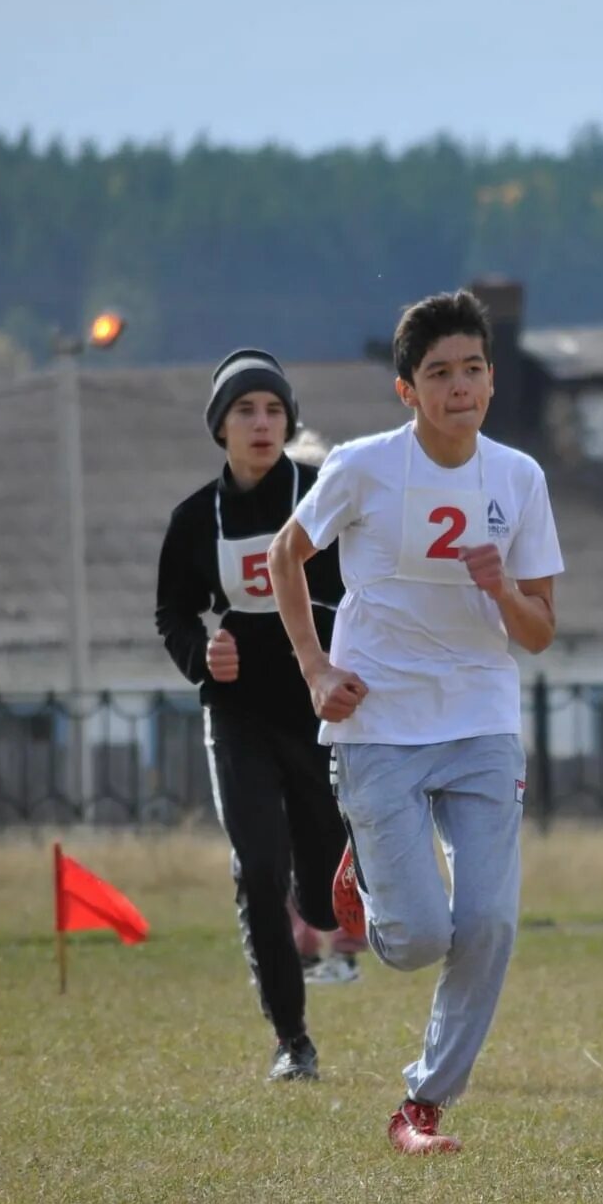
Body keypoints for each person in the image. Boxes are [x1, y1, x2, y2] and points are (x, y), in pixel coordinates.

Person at [267, 288, 563, 1156]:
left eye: (472, 368)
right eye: (439, 373)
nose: (459, 386)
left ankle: (421, 1107)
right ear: (409, 390)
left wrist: (499, 587)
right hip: (380, 723)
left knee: (492, 922)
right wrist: (315, 667)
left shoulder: (519, 478)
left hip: (480, 719)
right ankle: (363, 874)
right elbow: (286, 554)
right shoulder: (362, 467)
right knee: (416, 941)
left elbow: (540, 631)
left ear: (492, 379)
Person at [155, 349, 349, 1081]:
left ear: (289, 422)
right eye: (245, 411)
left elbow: (362, 588)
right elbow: (171, 610)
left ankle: (322, 894)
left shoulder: (325, 499)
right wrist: (203, 655)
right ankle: (291, 1040)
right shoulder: (192, 519)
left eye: (273, 410)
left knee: (325, 901)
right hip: (238, 717)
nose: (261, 424)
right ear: (221, 429)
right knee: (257, 869)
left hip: (318, 711)